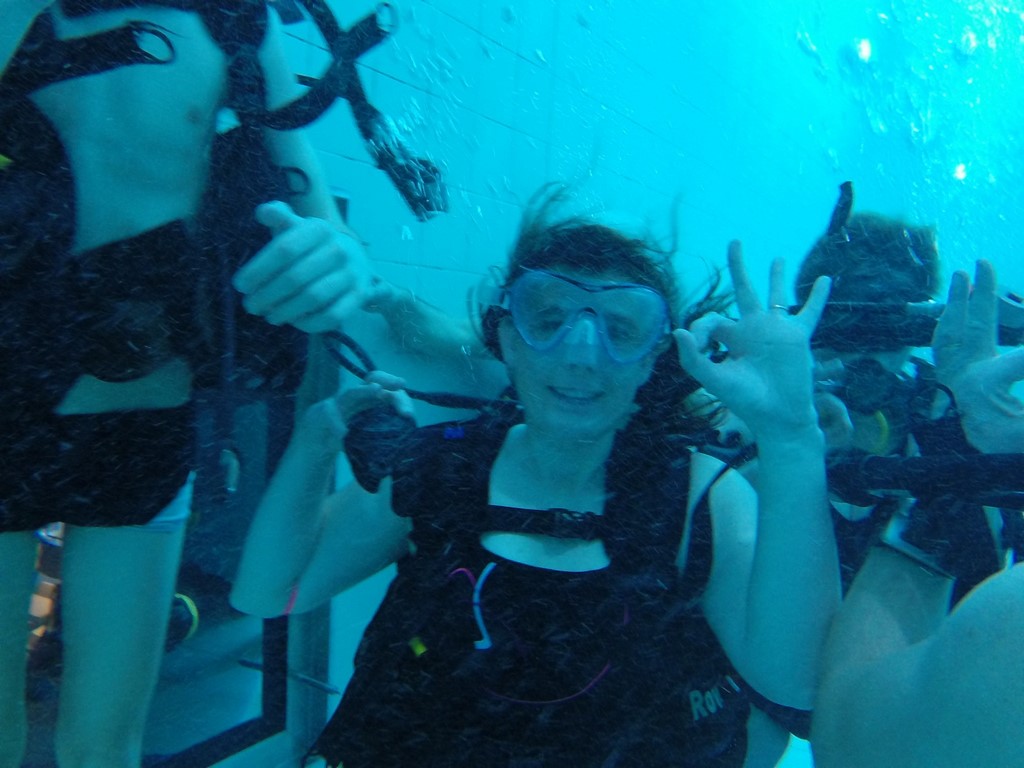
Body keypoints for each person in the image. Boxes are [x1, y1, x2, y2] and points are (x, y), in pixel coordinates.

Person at [0, 2, 476, 766]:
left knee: (106, 739)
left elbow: (310, 197)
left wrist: (336, 257)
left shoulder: (233, 19)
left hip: (141, 422)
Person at [230, 184, 841, 766]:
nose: (581, 354)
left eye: (620, 329)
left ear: (653, 358)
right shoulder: (443, 470)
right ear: (507, 337)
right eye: (548, 319)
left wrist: (791, 439)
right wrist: (315, 439)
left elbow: (795, 685)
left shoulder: (698, 498)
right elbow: (270, 592)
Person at [811, 259, 1024, 768]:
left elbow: (851, 739)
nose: (863, 358)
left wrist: (950, 466)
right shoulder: (754, 439)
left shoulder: (948, 421)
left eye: (886, 330)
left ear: (915, 337)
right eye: (847, 329)